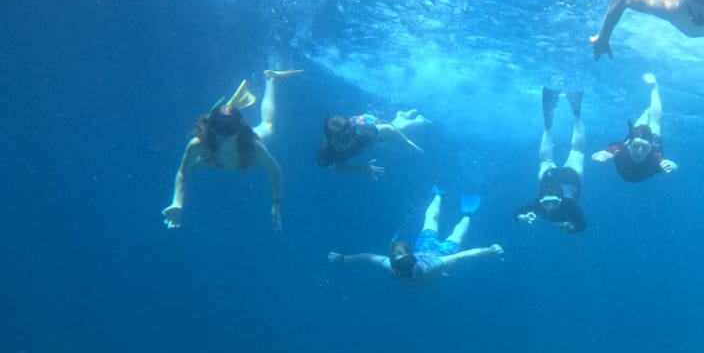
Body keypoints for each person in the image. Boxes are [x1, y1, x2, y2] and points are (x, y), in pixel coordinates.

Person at [162, 70, 303, 230]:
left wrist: (276, 204)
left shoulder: (252, 144)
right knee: (194, 164)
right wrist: (177, 202)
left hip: (238, 156)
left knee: (268, 127)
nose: (223, 137)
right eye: (219, 131)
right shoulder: (199, 144)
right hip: (214, 160)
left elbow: (275, 170)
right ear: (212, 131)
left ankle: (270, 78)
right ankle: (226, 109)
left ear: (239, 131)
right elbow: (183, 171)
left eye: (229, 132)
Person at [328, 189, 502, 286]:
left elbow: (464, 256)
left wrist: (489, 251)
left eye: (403, 268)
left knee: (452, 233)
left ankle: (463, 210)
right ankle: (442, 195)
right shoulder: (393, 266)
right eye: (400, 268)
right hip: (425, 249)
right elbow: (367, 257)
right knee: (434, 224)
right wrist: (344, 259)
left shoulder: (432, 267)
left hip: (437, 255)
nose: (403, 272)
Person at [515, 88, 587, 234]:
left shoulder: (538, 205)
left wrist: (521, 217)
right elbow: (582, 225)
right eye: (548, 203)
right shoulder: (569, 206)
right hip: (569, 177)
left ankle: (550, 125)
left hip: (559, 177)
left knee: (575, 152)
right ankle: (574, 115)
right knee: (576, 152)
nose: (549, 207)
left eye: (551, 203)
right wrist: (571, 227)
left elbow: (516, 213)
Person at [592, 72, 678, 181]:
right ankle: (650, 102)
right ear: (629, 145)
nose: (639, 151)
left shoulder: (655, 157)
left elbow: (674, 166)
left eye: (645, 148)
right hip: (637, 137)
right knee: (651, 118)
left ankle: (654, 88)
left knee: (654, 120)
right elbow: (598, 154)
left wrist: (671, 165)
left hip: (650, 140)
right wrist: (601, 154)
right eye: (636, 146)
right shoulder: (620, 150)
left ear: (650, 147)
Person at [316, 108, 429, 174]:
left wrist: (408, 143)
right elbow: (337, 167)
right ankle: (402, 115)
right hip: (355, 128)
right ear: (331, 140)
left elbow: (389, 129)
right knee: (387, 141)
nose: (348, 142)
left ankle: (418, 120)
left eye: (349, 137)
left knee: (395, 132)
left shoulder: (361, 132)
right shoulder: (328, 153)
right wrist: (363, 169)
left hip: (365, 122)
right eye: (343, 139)